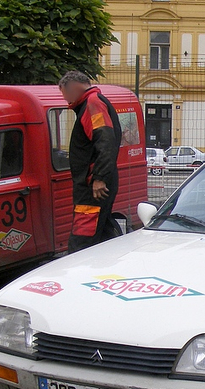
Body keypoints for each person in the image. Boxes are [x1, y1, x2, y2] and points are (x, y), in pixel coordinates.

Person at [58, 70, 122, 253]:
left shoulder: (92, 103)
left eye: (65, 95)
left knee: (82, 238)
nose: (67, 101)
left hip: (93, 186)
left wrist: (99, 177)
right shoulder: (93, 103)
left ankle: (79, 274)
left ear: (73, 88)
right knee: (100, 233)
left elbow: (105, 140)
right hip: (94, 182)